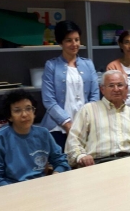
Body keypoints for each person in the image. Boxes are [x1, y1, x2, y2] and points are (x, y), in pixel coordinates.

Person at [0, 90, 71, 195]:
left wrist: (54, 177)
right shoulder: (0, 138)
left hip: (41, 189)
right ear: (9, 116)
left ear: (34, 112)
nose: (25, 114)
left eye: (28, 108)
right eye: (17, 110)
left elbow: (61, 161)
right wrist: (13, 192)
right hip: (11, 190)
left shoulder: (43, 134)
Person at [65, 70, 130, 167]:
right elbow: (73, 141)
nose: (116, 89)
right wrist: (81, 156)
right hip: (99, 164)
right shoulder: (88, 111)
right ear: (102, 89)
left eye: (120, 85)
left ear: (126, 88)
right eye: (111, 86)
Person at [40, 20, 99, 151]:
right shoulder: (51, 65)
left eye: (77, 40)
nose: (74, 44)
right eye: (69, 40)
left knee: (86, 160)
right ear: (60, 42)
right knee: (62, 161)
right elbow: (49, 101)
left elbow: (95, 95)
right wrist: (67, 124)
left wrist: (86, 120)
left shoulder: (88, 64)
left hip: (85, 125)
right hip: (58, 126)